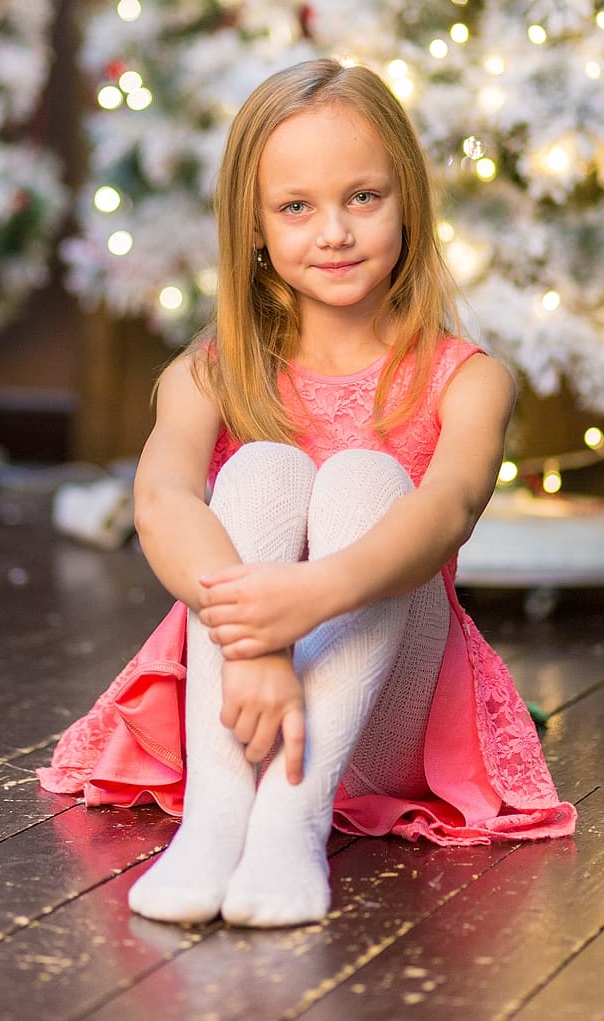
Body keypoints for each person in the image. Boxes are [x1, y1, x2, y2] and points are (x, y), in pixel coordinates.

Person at [38, 58, 576, 929]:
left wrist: (308, 599)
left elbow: (447, 512)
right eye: (297, 207)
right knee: (261, 469)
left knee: (369, 478)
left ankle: (289, 823)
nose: (334, 231)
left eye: (363, 197)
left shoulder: (467, 380)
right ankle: (217, 820)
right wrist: (256, 641)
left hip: (384, 721)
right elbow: (162, 500)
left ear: (408, 201)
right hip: (239, 699)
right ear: (253, 226)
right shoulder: (209, 371)